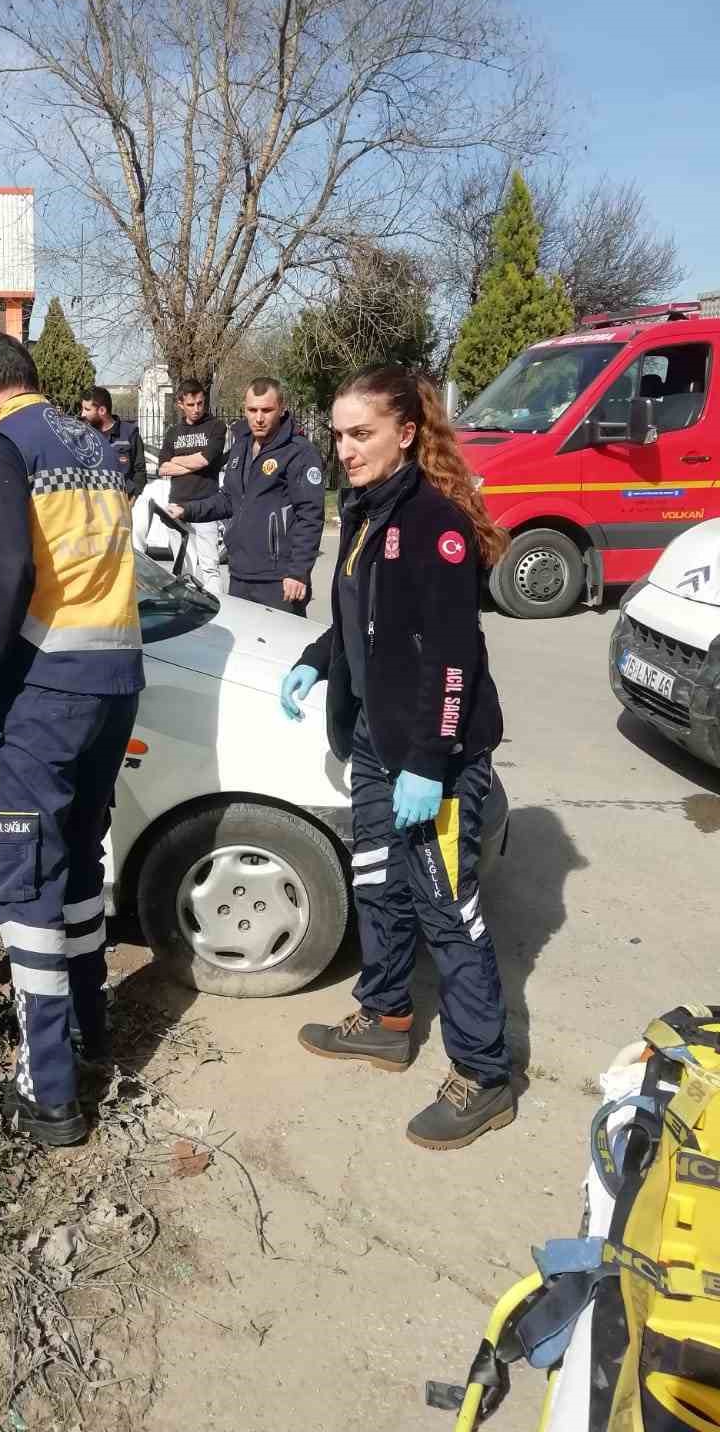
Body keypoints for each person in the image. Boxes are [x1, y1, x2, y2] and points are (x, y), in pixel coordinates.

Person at [279, 366, 514, 1150]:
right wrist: (318, 657)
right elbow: (357, 612)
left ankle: (484, 1075)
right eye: (339, 434)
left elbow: (453, 657)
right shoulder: (364, 508)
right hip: (377, 745)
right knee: (376, 882)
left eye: (361, 434)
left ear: (405, 433)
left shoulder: (433, 523)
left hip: (430, 753)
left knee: (450, 911)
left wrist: (432, 760)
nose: (344, 449)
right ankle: (385, 1018)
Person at [0, 329, 143, 1148]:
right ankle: (92, 1038)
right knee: (76, 865)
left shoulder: (1, 443)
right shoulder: (92, 442)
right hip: (117, 679)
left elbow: (3, 574)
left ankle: (50, 1093)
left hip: (48, 689)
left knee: (26, 880)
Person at [169, 377, 325, 614]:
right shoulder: (241, 446)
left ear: (281, 408)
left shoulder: (299, 452)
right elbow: (229, 499)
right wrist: (187, 510)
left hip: (279, 579)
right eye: (252, 410)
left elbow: (310, 516)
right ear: (245, 409)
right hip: (240, 574)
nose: (259, 418)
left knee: (279, 650)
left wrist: (298, 571)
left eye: (267, 410)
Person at [156, 378, 226, 594]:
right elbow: (162, 468)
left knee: (210, 568)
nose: (196, 409)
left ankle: (220, 615)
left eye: (200, 403)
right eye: (191, 404)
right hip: (177, 506)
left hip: (206, 506)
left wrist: (178, 460)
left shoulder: (216, 426)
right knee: (182, 571)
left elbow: (204, 461)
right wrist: (193, 461)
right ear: (180, 404)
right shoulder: (172, 432)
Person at [80, 386, 147, 498]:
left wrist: (134, 498)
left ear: (102, 410)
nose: (82, 414)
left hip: (124, 501)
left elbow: (139, 471)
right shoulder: (85, 435)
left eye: (87, 409)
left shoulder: (129, 433)